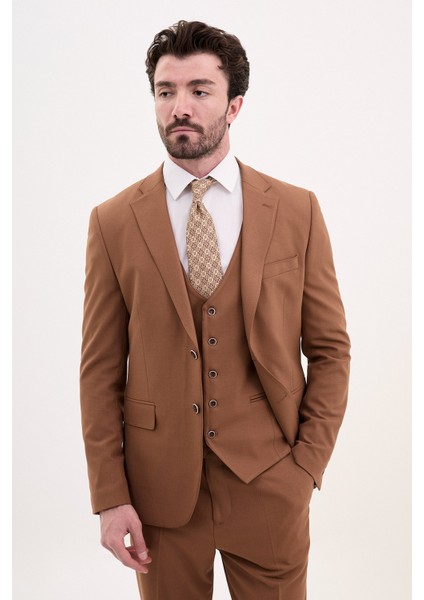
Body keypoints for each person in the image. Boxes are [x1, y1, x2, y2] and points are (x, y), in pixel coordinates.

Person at [80, 20, 351, 600]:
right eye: (166, 91)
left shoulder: (297, 211)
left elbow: (330, 350)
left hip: (271, 484)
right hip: (159, 498)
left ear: (234, 106)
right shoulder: (113, 221)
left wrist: (306, 467)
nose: (180, 107)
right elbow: (99, 372)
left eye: (199, 90)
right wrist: (110, 496)